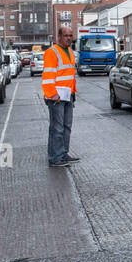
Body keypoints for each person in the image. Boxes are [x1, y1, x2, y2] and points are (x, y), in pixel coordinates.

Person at [41, 25, 81, 167]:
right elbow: (48, 76)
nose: (69, 38)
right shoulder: (52, 52)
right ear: (59, 37)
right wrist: (52, 94)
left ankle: (63, 153)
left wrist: (73, 95)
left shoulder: (69, 51)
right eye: (66, 35)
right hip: (56, 97)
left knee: (66, 127)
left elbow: (70, 76)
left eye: (71, 35)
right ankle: (55, 157)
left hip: (67, 95)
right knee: (57, 128)